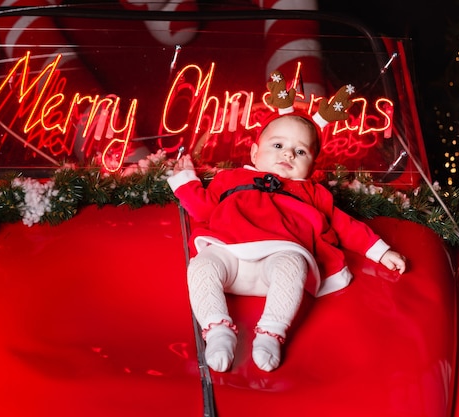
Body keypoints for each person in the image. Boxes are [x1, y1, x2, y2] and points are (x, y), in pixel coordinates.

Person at [167, 76, 407, 372]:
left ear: (312, 165)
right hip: (229, 253)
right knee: (201, 266)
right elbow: (203, 209)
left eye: (301, 151)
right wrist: (185, 181)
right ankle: (217, 330)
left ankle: (271, 333)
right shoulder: (230, 179)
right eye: (278, 144)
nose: (288, 154)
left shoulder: (313, 193)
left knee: (294, 263)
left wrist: (381, 252)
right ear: (255, 153)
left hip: (279, 258)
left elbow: (345, 226)